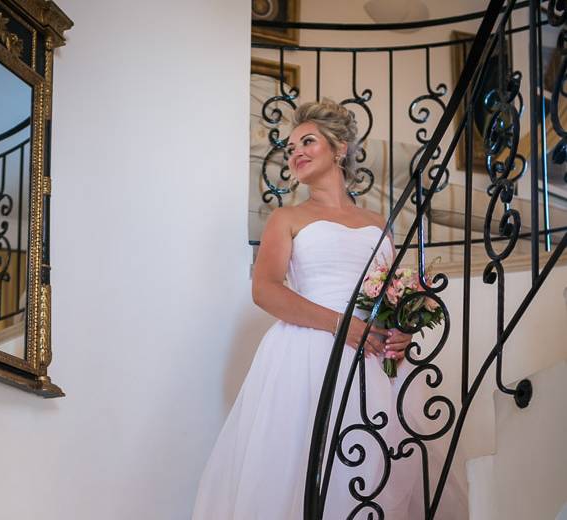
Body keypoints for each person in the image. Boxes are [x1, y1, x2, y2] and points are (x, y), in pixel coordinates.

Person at [191, 99, 467, 519]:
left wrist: (402, 331)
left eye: (307, 141)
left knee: (377, 469)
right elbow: (265, 290)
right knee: (303, 465)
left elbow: (392, 293)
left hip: (373, 360)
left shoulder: (378, 223)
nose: (295, 152)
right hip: (306, 355)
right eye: (290, 147)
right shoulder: (285, 218)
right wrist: (343, 328)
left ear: (339, 148)